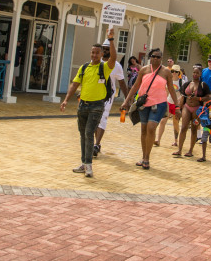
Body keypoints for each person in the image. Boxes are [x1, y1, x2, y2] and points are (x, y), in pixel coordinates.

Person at [60, 29, 117, 178]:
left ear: (102, 54)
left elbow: (113, 58)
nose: (94, 55)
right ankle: (84, 163)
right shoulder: (84, 67)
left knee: (89, 133)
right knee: (83, 135)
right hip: (83, 105)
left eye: (97, 53)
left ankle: (89, 165)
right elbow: (74, 84)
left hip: (97, 106)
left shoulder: (104, 67)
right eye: (92, 52)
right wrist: (66, 100)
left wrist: (111, 40)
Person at [121, 47, 179, 170]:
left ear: (161, 58)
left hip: (159, 104)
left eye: (158, 57)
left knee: (151, 128)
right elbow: (135, 86)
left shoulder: (166, 72)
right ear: (150, 57)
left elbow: (171, 89)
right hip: (144, 104)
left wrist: (177, 106)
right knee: (143, 130)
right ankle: (143, 157)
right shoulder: (144, 70)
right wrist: (126, 101)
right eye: (153, 56)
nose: (155, 58)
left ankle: (147, 158)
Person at [93, 39, 129, 158]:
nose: (105, 51)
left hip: (107, 97)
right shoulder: (95, 62)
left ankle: (96, 144)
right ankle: (97, 143)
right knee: (94, 119)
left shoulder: (116, 66)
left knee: (102, 118)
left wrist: (127, 99)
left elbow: (122, 83)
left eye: (108, 49)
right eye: (104, 49)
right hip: (94, 95)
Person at [172, 66, 210, 157]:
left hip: (197, 108)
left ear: (200, 74)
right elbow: (182, 97)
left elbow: (208, 97)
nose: (195, 74)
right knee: (183, 127)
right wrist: (178, 109)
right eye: (194, 72)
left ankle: (190, 150)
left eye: (197, 73)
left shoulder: (203, 85)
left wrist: (198, 98)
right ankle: (179, 150)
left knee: (194, 129)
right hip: (187, 107)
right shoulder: (187, 84)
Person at [156, 65, 183, 147]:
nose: (174, 73)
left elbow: (183, 94)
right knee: (162, 121)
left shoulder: (182, 82)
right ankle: (158, 140)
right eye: (172, 71)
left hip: (176, 104)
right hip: (168, 103)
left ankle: (176, 141)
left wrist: (178, 103)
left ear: (179, 73)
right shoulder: (168, 80)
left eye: (176, 71)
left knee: (175, 123)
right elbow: (166, 92)